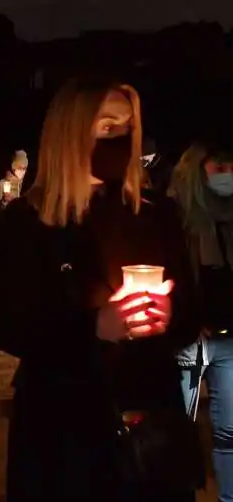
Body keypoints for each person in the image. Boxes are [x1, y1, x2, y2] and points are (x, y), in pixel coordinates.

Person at [0, 77, 200, 502]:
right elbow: (13, 328)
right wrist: (92, 327)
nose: (120, 138)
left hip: (149, 412)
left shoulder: (157, 213)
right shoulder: (29, 221)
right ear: (71, 132)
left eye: (127, 127)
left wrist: (170, 316)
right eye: (107, 127)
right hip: (63, 419)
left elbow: (191, 309)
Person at [169, 140, 233, 502]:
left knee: (230, 432)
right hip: (191, 340)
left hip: (229, 339)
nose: (227, 177)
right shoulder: (177, 220)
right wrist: (190, 318)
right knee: (179, 428)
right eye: (218, 169)